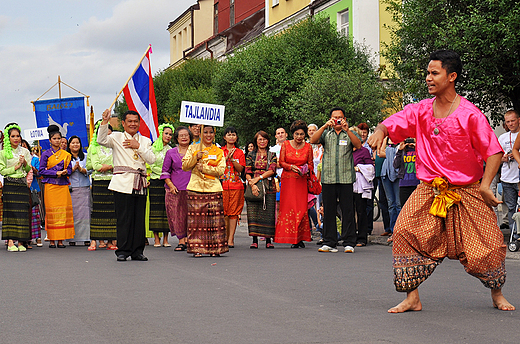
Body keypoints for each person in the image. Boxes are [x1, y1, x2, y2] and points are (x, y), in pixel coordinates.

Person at [367, 49, 514, 312]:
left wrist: (485, 185)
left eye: (434, 73)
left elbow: (493, 152)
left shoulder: (470, 114)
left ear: (452, 76)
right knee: (403, 232)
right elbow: (394, 122)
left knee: (490, 243)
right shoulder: (421, 109)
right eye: (427, 73)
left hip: (467, 190)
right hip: (430, 189)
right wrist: (380, 130)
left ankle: (497, 293)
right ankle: (412, 298)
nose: (428, 78)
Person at [98, 109, 156, 262]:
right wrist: (105, 122)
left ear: (139, 123)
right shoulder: (116, 137)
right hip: (122, 183)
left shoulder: (145, 140)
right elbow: (101, 140)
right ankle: (123, 250)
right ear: (123, 123)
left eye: (135, 121)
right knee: (124, 218)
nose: (132, 124)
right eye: (129, 121)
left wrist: (138, 146)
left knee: (139, 219)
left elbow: (151, 159)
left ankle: (137, 251)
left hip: (140, 182)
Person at [310, 107, 362, 253]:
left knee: (348, 211)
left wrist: (348, 130)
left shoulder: (349, 133)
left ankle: (349, 242)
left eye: (340, 117)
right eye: (335, 117)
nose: (338, 120)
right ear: (331, 118)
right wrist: (325, 125)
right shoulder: (326, 133)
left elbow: (358, 145)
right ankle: (329, 242)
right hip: (329, 177)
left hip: (345, 178)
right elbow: (313, 140)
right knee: (329, 210)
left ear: (344, 118)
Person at [182, 125, 227, 257]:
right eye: (205, 132)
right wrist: (196, 157)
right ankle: (197, 249)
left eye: (210, 132)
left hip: (213, 188)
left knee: (215, 221)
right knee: (196, 222)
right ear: (200, 134)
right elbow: (184, 166)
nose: (208, 135)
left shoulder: (218, 151)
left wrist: (205, 168)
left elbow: (220, 171)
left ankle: (215, 249)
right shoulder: (193, 148)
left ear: (214, 134)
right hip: (195, 188)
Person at [275, 120, 313, 248]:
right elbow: (281, 162)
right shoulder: (285, 145)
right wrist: (291, 167)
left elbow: (311, 164)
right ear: (292, 134)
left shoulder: (308, 147)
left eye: (301, 134)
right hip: (288, 180)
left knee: (301, 209)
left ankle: (300, 237)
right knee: (289, 208)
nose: (299, 137)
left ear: (305, 134)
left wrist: (305, 169)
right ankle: (291, 238)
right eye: (297, 134)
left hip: (301, 181)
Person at [39, 124, 74, 248]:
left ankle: (61, 240)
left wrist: (65, 172)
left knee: (63, 212)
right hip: (50, 186)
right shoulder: (45, 154)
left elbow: (69, 170)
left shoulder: (66, 154)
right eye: (54, 139)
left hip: (63, 186)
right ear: (50, 140)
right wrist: (55, 173)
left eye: (59, 139)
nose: (57, 141)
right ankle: (52, 240)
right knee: (52, 212)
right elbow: (41, 171)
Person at [0, 123, 32, 251]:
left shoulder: (25, 151)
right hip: (10, 184)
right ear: (8, 137)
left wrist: (24, 163)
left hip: (22, 185)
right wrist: (15, 167)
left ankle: (21, 242)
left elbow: (29, 168)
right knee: (11, 213)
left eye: (18, 136)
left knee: (22, 213)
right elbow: (2, 170)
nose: (16, 138)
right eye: (13, 136)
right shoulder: (3, 152)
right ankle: (10, 242)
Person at [86, 121, 117, 251]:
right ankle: (95, 239)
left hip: (113, 181)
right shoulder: (93, 148)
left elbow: (119, 164)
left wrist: (109, 167)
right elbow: (96, 166)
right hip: (99, 182)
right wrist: (107, 167)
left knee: (112, 211)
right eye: (101, 130)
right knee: (98, 211)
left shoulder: (115, 147)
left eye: (107, 130)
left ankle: (111, 240)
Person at [245, 131, 278, 249]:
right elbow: (247, 171)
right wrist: (252, 184)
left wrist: (258, 178)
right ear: (256, 141)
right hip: (253, 185)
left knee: (268, 213)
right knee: (253, 212)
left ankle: (269, 240)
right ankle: (254, 240)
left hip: (268, 185)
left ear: (268, 141)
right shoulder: (250, 155)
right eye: (260, 139)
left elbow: (272, 170)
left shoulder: (272, 155)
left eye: (264, 139)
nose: (262, 141)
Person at [161, 126, 192, 251]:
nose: (184, 137)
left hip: (193, 188)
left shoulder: (195, 151)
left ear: (190, 137)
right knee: (179, 215)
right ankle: (181, 241)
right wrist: (171, 186)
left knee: (192, 215)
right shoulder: (171, 153)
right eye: (181, 135)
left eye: (186, 135)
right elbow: (165, 171)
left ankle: (191, 240)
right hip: (176, 189)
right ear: (177, 138)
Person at [149, 124, 174, 247]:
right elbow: (150, 164)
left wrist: (167, 175)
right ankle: (156, 238)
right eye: (166, 133)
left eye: (170, 134)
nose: (168, 136)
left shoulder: (171, 149)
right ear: (161, 133)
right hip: (155, 180)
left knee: (166, 209)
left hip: (168, 182)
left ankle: (166, 238)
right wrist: (163, 173)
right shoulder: (153, 148)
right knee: (155, 210)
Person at [221, 127, 245, 248]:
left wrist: (232, 160)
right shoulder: (219, 151)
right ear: (224, 137)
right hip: (222, 185)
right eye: (228, 135)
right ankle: (224, 237)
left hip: (236, 185)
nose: (231, 137)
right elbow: (217, 167)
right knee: (223, 212)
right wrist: (225, 159)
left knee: (233, 213)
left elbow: (241, 169)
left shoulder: (240, 152)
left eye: (233, 135)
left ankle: (231, 239)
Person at [350, 127, 374, 247]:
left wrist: (358, 168)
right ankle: (350, 236)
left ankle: (362, 237)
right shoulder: (347, 151)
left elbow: (370, 168)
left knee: (361, 210)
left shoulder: (363, 151)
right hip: (348, 184)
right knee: (349, 211)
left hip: (359, 185)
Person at [66, 136, 91, 246]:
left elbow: (91, 169)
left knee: (86, 214)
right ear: (69, 145)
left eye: (77, 143)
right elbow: (63, 171)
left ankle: (86, 238)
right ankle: (72, 238)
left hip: (84, 188)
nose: (75, 145)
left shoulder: (85, 156)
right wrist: (72, 170)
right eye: (73, 143)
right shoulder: (66, 157)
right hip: (71, 189)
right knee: (73, 214)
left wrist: (82, 170)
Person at [498, 110, 520, 230]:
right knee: (511, 207)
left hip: (518, 177)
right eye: (508, 122)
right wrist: (503, 158)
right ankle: (514, 234)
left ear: (519, 120)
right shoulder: (502, 138)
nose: (511, 124)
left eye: (513, 120)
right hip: (507, 178)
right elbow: (497, 157)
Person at [380, 137, 401, 241]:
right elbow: (380, 152)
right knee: (390, 204)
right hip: (386, 174)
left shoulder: (399, 144)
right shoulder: (387, 143)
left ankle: (399, 230)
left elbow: (397, 154)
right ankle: (392, 230)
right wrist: (385, 137)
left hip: (397, 175)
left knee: (398, 204)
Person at [394, 138, 420, 206]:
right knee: (404, 208)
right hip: (404, 183)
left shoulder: (419, 149)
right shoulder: (402, 151)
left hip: (416, 183)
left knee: (415, 208)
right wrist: (400, 150)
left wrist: (418, 147)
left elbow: (424, 162)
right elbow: (395, 165)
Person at [29, 143, 43, 247]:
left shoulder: (35, 159)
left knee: (35, 214)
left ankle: (38, 237)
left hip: (33, 188)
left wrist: (34, 170)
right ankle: (27, 237)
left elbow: (40, 173)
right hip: (21, 188)